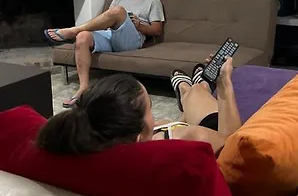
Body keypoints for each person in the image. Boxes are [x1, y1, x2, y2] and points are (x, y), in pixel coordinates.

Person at [36, 57, 241, 156]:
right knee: (197, 92)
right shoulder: (191, 138)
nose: (153, 116)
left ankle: (186, 89)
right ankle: (192, 87)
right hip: (215, 130)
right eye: (150, 108)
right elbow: (235, 150)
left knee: (190, 102)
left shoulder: (92, 145)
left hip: (180, 127)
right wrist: (225, 85)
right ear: (138, 134)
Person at [44, 0, 165, 108]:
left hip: (133, 38)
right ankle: (83, 88)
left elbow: (157, 30)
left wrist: (139, 25)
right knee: (83, 37)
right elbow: (106, 20)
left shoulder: (153, 2)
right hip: (110, 34)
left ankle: (72, 30)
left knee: (119, 11)